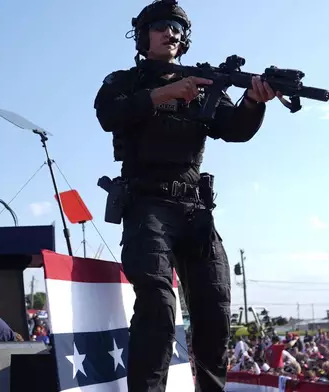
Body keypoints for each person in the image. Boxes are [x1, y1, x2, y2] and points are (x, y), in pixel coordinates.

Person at [93, 1, 278, 391]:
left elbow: (234, 129)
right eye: (161, 26)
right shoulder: (123, 81)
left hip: (195, 209)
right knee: (158, 307)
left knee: (215, 310)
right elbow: (108, 115)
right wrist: (165, 93)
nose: (170, 33)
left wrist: (253, 102)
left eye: (177, 28)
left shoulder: (204, 83)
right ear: (143, 36)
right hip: (147, 204)